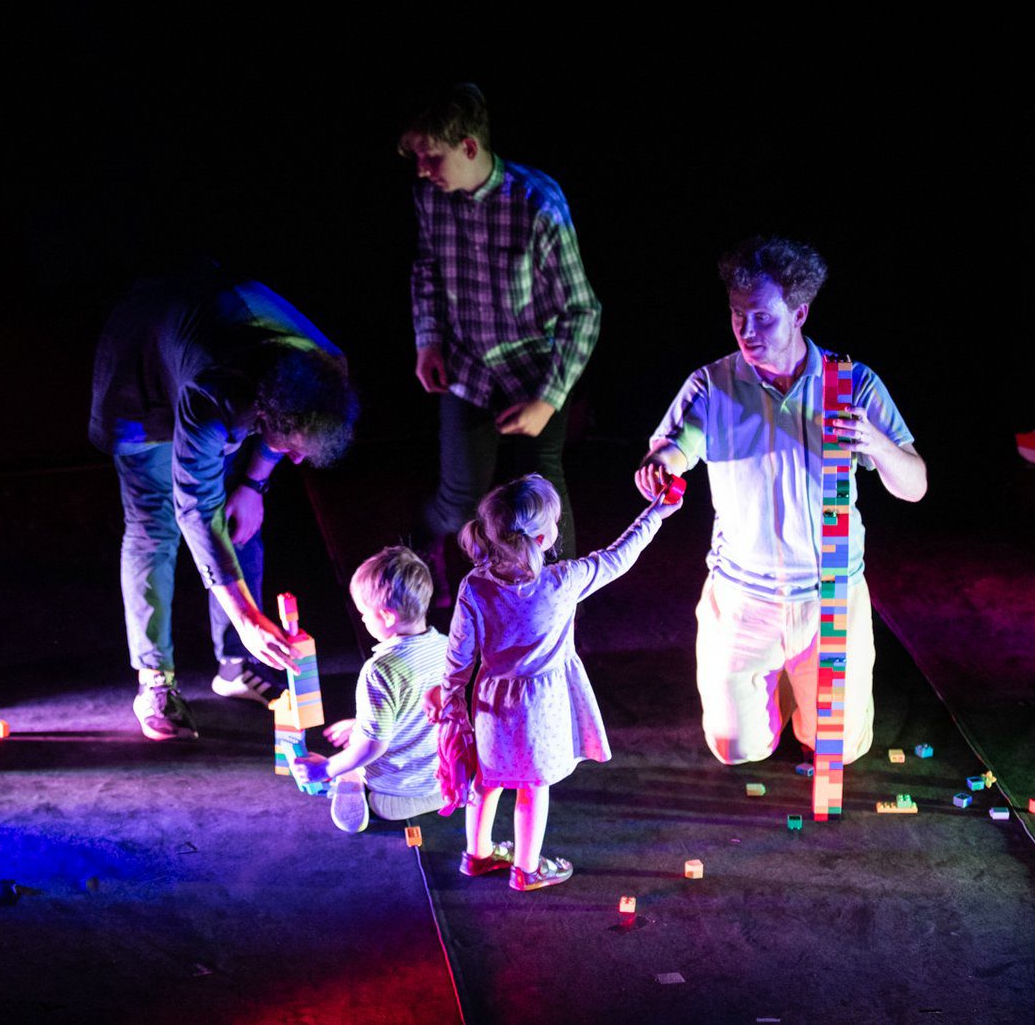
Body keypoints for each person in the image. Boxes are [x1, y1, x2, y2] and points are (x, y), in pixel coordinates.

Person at [634, 236, 927, 767]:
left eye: (763, 318)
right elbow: (674, 449)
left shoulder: (851, 383)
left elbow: (914, 485)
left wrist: (876, 444)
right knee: (736, 749)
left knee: (838, 749)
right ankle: (783, 686)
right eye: (737, 316)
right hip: (744, 597)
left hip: (830, 596)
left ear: (799, 313)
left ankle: (804, 687)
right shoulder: (713, 384)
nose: (747, 331)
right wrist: (661, 467)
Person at [88, 262, 358, 741]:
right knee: (156, 526)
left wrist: (253, 485)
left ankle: (235, 667)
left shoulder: (325, 371)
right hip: (139, 370)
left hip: (223, 349)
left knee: (239, 517)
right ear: (264, 414)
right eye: (292, 447)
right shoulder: (214, 394)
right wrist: (249, 618)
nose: (297, 459)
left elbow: (278, 446)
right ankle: (155, 680)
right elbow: (194, 508)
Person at [399, 84, 602, 583]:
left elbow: (582, 311)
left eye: (432, 157)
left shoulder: (538, 203)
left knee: (542, 495)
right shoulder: (430, 197)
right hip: (468, 368)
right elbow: (427, 270)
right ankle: (414, 578)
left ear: (469, 146)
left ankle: (560, 601)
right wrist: (428, 340)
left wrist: (548, 400)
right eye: (418, 159)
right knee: (458, 502)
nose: (422, 170)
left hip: (535, 371)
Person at [440, 474, 679, 891]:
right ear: (540, 537)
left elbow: (458, 656)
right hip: (541, 705)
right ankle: (527, 869)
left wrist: (451, 702)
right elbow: (620, 556)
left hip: (491, 701)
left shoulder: (474, 586)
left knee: (487, 780)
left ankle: (477, 855)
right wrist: (656, 513)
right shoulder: (562, 581)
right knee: (534, 787)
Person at [291, 547, 449, 833]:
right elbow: (418, 710)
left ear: (387, 617)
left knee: (357, 756)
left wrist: (325, 768)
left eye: (364, 613)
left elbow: (372, 747)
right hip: (445, 780)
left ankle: (365, 789)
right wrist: (362, 723)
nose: (362, 620)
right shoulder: (446, 648)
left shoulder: (381, 670)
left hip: (395, 790)